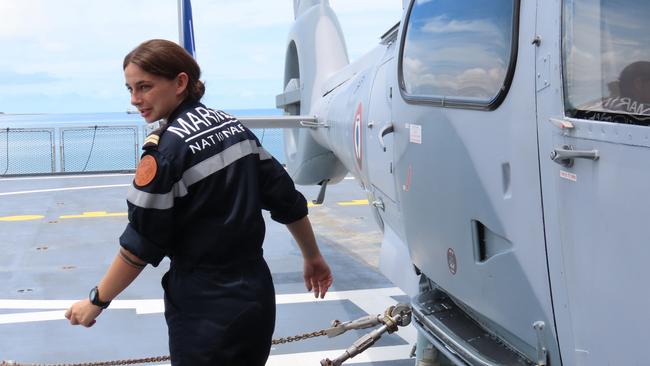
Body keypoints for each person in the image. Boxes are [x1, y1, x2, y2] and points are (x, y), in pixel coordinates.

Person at [65, 39, 334, 366]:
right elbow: (287, 200)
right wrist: (313, 256)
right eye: (130, 89)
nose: (135, 99)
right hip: (256, 295)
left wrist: (96, 300)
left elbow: (139, 244)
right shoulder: (233, 128)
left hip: (206, 307)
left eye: (144, 87)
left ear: (180, 83)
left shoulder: (165, 152)